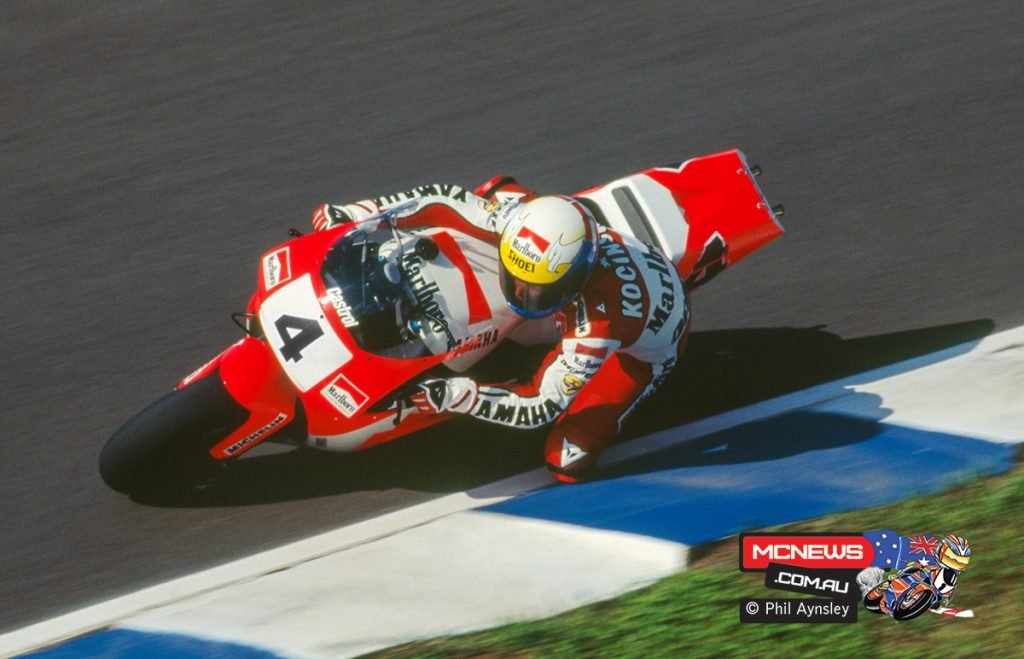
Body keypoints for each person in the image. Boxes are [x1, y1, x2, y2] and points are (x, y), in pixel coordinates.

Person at [312, 176, 690, 482]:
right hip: (586, 264)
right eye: (518, 279)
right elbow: (445, 199)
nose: (521, 293)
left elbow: (541, 405)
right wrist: (362, 213)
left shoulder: (599, 325)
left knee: (567, 458)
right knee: (492, 192)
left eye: (536, 290)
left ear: (576, 281)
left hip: (647, 347)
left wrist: (464, 397)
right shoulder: (522, 223)